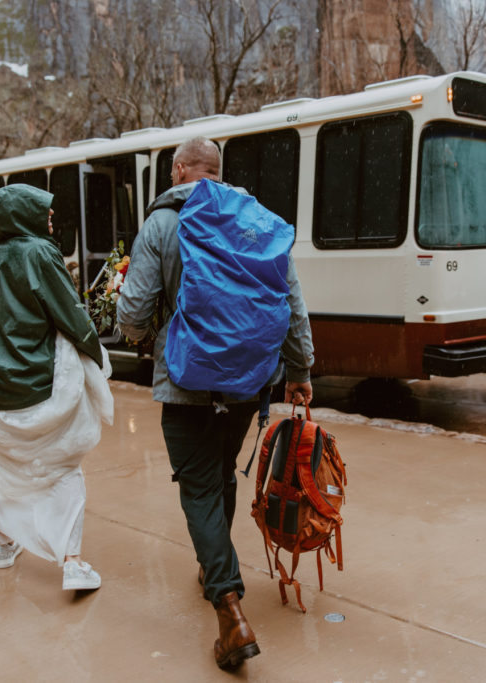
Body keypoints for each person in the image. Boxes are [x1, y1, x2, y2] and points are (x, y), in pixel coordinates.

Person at [117, 137, 315, 669]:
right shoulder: (254, 220)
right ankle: (214, 563)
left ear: (179, 170)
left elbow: (133, 310)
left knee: (200, 487)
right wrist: (299, 370)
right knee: (220, 470)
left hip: (186, 383)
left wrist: (138, 333)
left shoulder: (162, 224)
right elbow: (290, 299)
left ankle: (229, 608)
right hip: (249, 383)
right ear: (219, 173)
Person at [0, 183, 114, 592]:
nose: (51, 218)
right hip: (40, 386)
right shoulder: (40, 253)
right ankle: (72, 562)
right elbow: (69, 313)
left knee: (3, 466)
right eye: (43, 211)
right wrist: (98, 355)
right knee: (63, 468)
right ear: (24, 214)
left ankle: (4, 545)